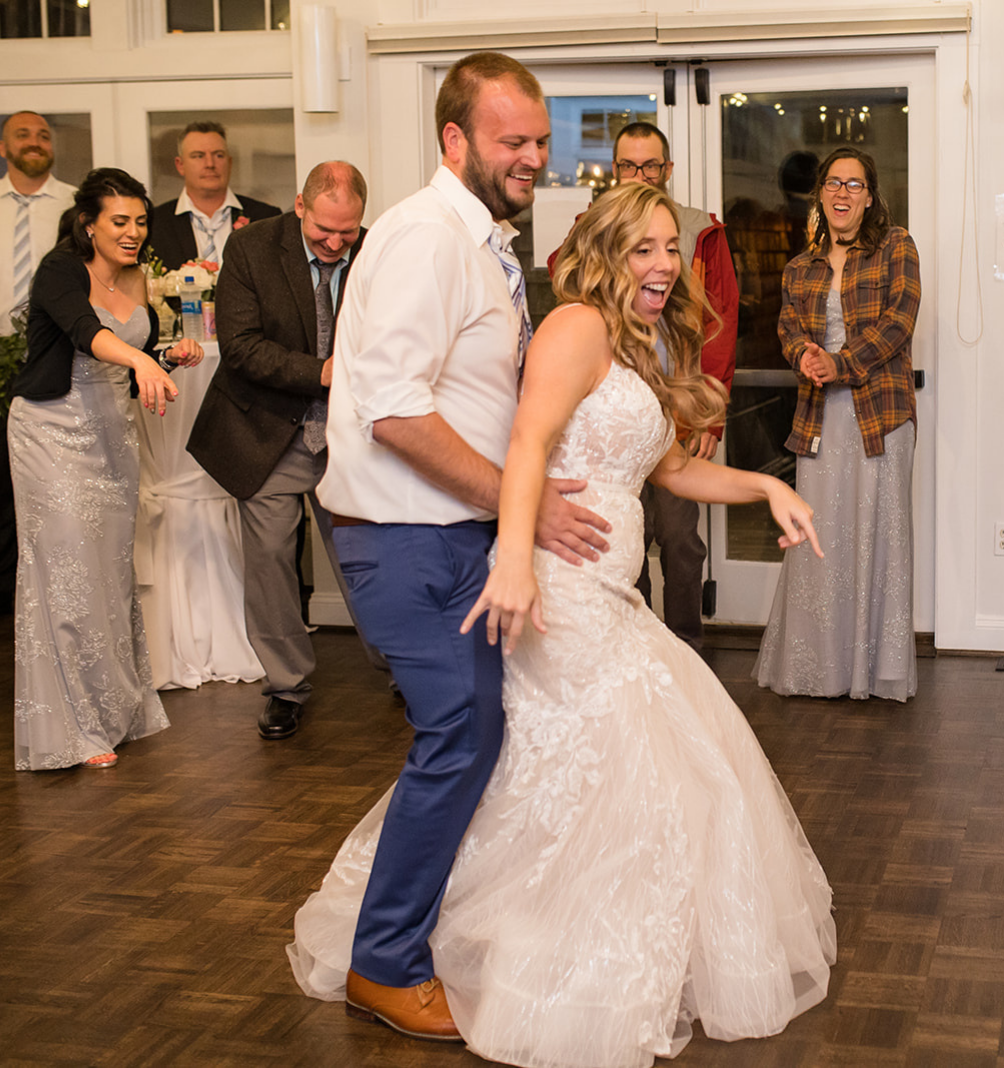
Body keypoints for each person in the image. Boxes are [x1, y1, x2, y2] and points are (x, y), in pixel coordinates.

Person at [293, 179, 835, 1068]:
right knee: (607, 766)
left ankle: (562, 939)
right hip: (558, 588)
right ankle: (516, 951)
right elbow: (529, 447)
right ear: (607, 253)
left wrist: (766, 484)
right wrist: (512, 562)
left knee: (624, 772)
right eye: (645, 248)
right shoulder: (575, 325)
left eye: (672, 249)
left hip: (613, 593)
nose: (663, 264)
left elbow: (666, 471)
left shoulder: (644, 339)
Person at [286, 53, 609, 1040]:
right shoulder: (426, 237)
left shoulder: (483, 241)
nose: (533, 158)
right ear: (455, 140)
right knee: (460, 737)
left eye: (542, 142)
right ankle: (383, 964)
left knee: (480, 739)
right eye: (514, 140)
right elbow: (391, 411)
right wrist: (524, 503)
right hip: (407, 540)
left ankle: (428, 930)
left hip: (454, 535)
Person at [5, 168, 203, 770]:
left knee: (109, 574)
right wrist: (141, 366)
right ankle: (76, 728)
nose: (133, 232)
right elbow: (88, 333)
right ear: (88, 223)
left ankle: (118, 709)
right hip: (51, 432)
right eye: (120, 221)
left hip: (112, 436)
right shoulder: (60, 271)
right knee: (67, 575)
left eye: (141, 221)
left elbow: (130, 346)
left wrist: (163, 355)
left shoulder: (139, 275)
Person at [187, 160, 380, 739]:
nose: (335, 242)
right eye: (325, 229)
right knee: (271, 559)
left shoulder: (377, 252)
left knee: (366, 557)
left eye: (347, 231)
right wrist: (325, 374)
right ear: (300, 206)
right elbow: (241, 346)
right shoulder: (250, 249)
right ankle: (285, 686)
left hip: (352, 437)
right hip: (269, 430)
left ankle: (403, 671)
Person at [547, 121, 738, 651]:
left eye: (649, 166)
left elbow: (721, 324)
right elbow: (564, 279)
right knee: (621, 538)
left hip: (673, 417)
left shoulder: (700, 233)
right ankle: (639, 638)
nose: (638, 175)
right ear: (615, 171)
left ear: (667, 171)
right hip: (606, 430)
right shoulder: (594, 230)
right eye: (628, 166)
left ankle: (685, 647)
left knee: (679, 539)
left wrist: (709, 417)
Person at [754, 146, 921, 701]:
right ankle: (817, 669)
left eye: (854, 184)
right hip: (820, 416)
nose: (843, 193)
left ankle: (872, 673)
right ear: (820, 193)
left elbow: (899, 322)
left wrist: (840, 363)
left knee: (879, 537)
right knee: (818, 537)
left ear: (870, 196)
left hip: (882, 416)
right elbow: (787, 328)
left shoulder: (897, 246)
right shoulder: (800, 266)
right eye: (833, 183)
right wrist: (804, 353)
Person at [0, 111, 76, 627]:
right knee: (1, 481)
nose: (34, 142)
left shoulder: (77, 204)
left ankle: (55, 589)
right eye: (23, 135)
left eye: (42, 135)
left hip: (57, 358)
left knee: (55, 481)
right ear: (1, 146)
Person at [146, 121, 280, 271]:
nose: (210, 163)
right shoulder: (155, 224)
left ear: (229, 162)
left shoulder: (267, 219)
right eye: (198, 156)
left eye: (218, 155)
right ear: (180, 165)